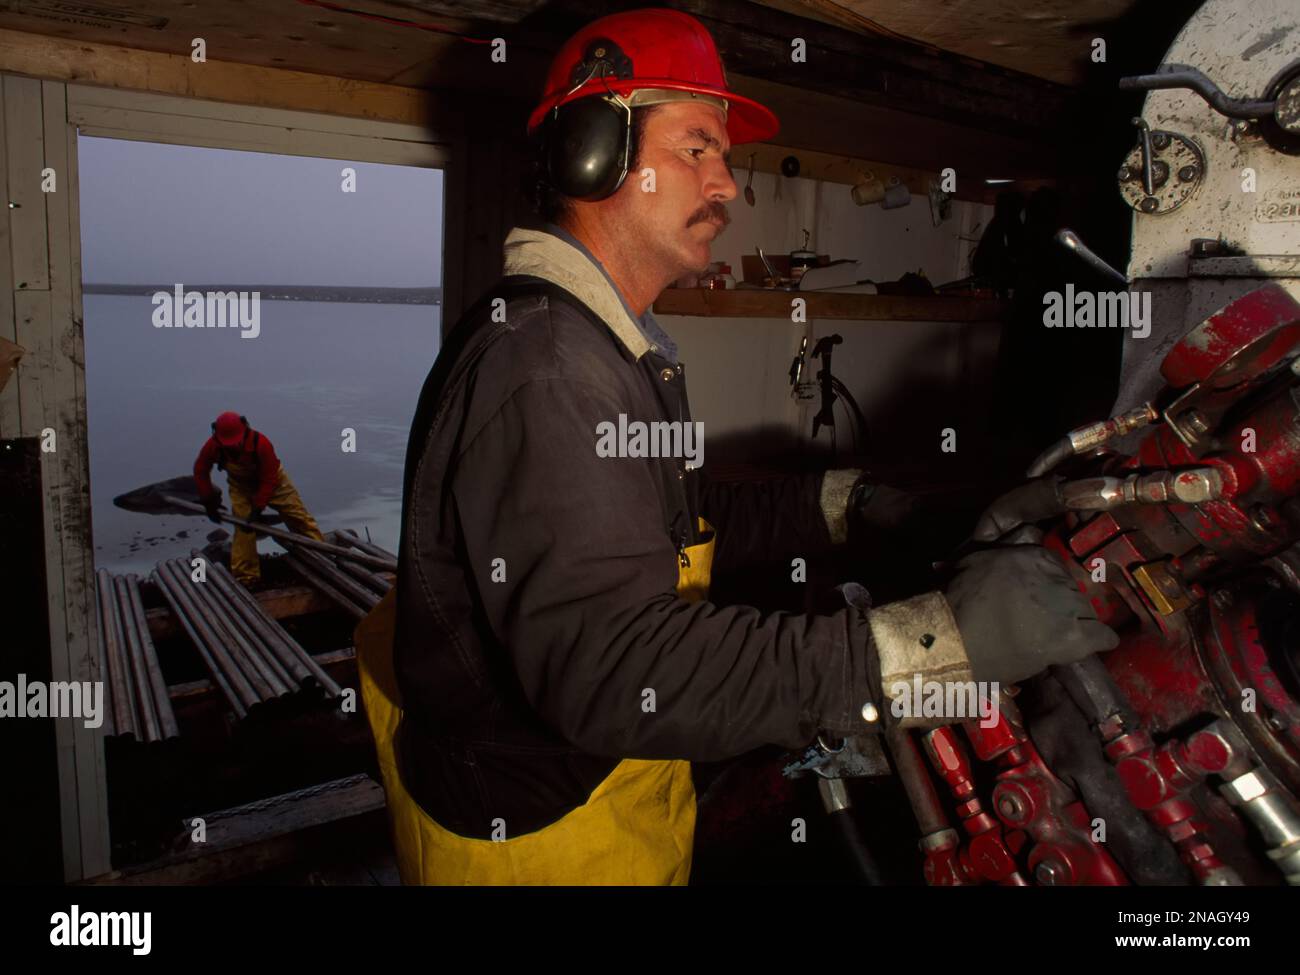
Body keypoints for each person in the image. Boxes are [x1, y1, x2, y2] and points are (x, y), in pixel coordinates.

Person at [353, 7, 1118, 885]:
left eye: (725, 156)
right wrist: (924, 646)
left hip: (606, 780)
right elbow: (612, 669)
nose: (728, 186)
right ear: (592, 151)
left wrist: (843, 503)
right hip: (538, 828)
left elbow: (669, 520)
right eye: (696, 148)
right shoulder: (551, 368)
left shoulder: (603, 341)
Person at [193, 411, 324, 586]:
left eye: (235, 442)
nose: (233, 446)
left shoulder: (261, 443)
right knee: (243, 529)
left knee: (299, 518)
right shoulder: (213, 446)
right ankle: (246, 577)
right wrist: (208, 500)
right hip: (241, 486)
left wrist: (258, 507)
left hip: (275, 483)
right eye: (228, 444)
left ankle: (324, 559)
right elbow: (201, 470)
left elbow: (269, 478)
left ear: (245, 429)